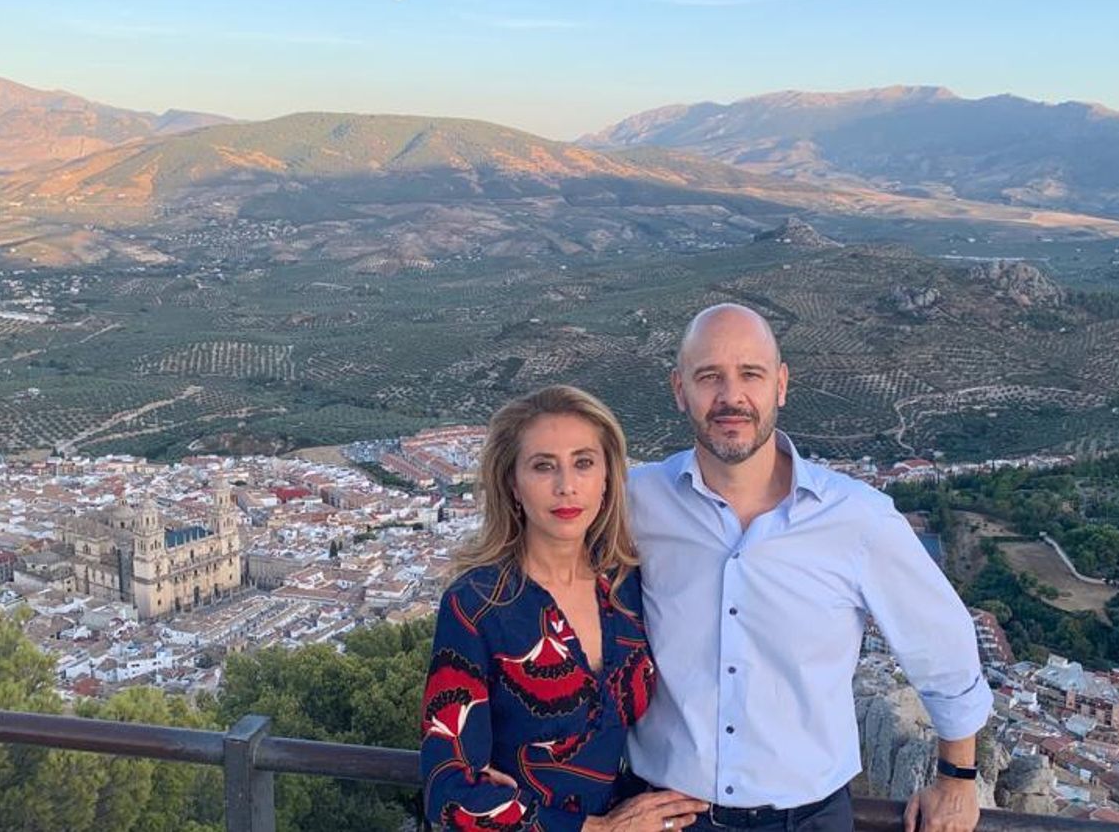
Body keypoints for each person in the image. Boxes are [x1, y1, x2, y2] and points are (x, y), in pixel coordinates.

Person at [625, 304, 993, 832]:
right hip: (662, 815)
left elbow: (941, 643)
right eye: (710, 377)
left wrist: (956, 779)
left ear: (780, 385)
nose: (731, 396)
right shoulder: (636, 502)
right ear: (679, 389)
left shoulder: (858, 518)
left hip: (808, 819)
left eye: (750, 374)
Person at [421, 385, 709, 832]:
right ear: (512, 484)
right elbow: (450, 792)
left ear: (608, 478)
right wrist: (598, 829)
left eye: (583, 463)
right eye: (543, 467)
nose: (566, 486)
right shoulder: (477, 605)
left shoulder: (626, 589)